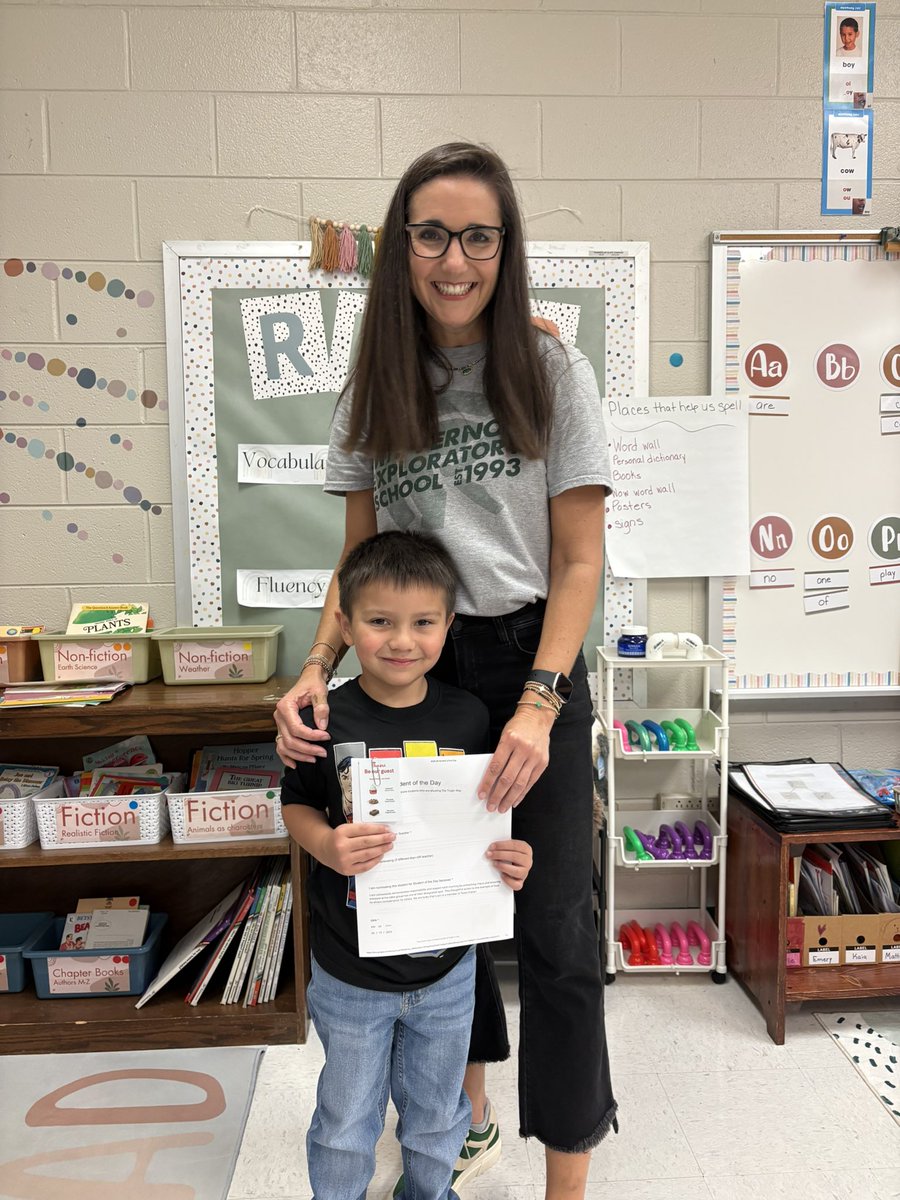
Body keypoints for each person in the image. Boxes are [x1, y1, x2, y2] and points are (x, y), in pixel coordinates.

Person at [275, 141, 616, 1199]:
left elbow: (579, 560)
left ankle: (566, 1180)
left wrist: (539, 706)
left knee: (554, 929)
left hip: (530, 658)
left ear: (506, 248)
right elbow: (357, 562)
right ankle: (461, 1114)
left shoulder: (552, 370)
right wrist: (316, 664)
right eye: (431, 235)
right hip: (414, 661)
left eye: (478, 236)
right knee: (434, 903)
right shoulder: (376, 381)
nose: (454, 259)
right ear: (402, 248)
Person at [281, 529, 532, 1200]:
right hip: (350, 973)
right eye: (380, 622)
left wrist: (510, 859)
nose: (402, 641)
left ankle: (431, 1192)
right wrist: (327, 845)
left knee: (438, 1115)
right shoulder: (324, 718)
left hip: (447, 972)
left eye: (423, 622)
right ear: (345, 625)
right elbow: (295, 805)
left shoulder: (472, 718)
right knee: (345, 1120)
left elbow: (487, 823)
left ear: (449, 626)